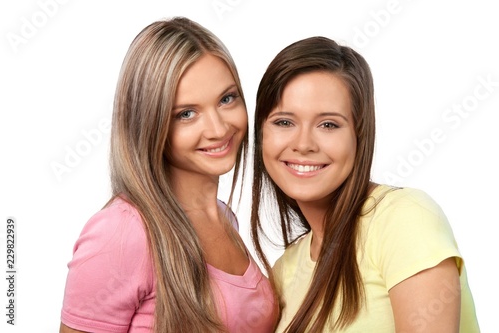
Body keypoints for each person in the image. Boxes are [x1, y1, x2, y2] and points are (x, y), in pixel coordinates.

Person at [59, 17, 277, 333]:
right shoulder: (122, 232)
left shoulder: (225, 219)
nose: (218, 129)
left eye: (226, 99)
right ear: (149, 124)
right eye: (186, 114)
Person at [250, 36, 480, 332]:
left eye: (329, 124)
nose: (303, 144)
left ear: (359, 136)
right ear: (261, 134)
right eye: (284, 122)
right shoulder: (285, 271)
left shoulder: (403, 218)